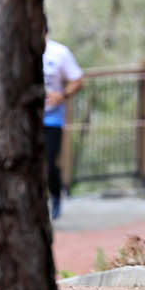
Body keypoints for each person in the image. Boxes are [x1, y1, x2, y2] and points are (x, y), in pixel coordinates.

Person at [42, 21, 84, 220]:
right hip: (23, 118)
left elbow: (77, 80)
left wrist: (62, 95)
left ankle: (56, 196)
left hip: (52, 117)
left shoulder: (59, 53)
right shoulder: (17, 50)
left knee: (49, 162)